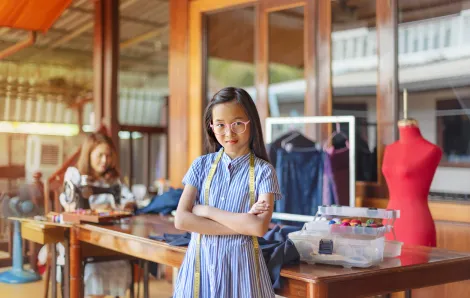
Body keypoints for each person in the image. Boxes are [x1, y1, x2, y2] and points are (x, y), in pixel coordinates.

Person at [173, 87, 282, 298]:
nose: (229, 133)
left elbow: (259, 227)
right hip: (200, 267)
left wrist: (204, 209)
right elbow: (181, 220)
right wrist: (243, 224)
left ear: (251, 123)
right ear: (211, 126)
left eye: (238, 124)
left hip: (242, 273)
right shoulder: (200, 166)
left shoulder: (263, 172)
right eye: (220, 125)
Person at [59, 132, 136, 298]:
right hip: (80, 237)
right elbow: (69, 206)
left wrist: (122, 206)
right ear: (88, 154)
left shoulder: (113, 180)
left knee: (120, 258)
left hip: (107, 236)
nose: (105, 160)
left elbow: (129, 200)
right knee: (92, 265)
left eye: (108, 155)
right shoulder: (75, 175)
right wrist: (99, 208)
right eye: (100, 155)